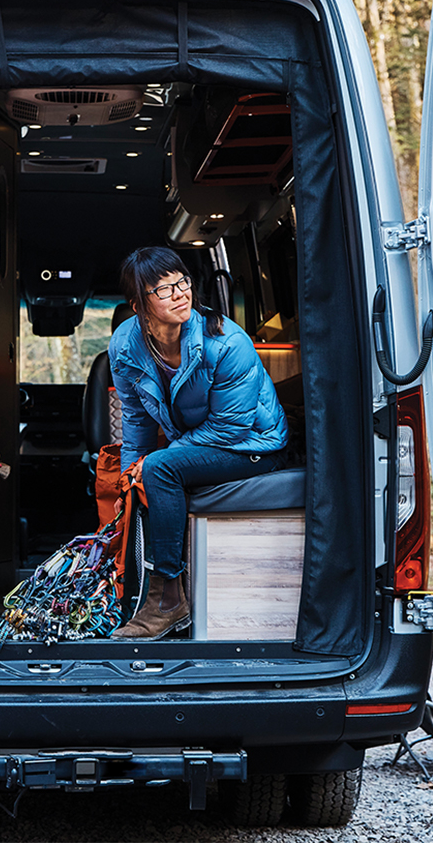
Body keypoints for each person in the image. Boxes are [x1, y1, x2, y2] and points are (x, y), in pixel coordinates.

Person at [108, 246, 288, 639]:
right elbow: (136, 421)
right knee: (146, 477)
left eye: (182, 282)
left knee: (161, 467)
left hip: (254, 445)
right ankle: (141, 596)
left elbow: (232, 426)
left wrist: (162, 457)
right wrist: (126, 480)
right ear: (139, 305)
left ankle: (169, 600)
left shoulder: (225, 341)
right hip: (200, 445)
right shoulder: (125, 347)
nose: (179, 293)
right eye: (163, 289)